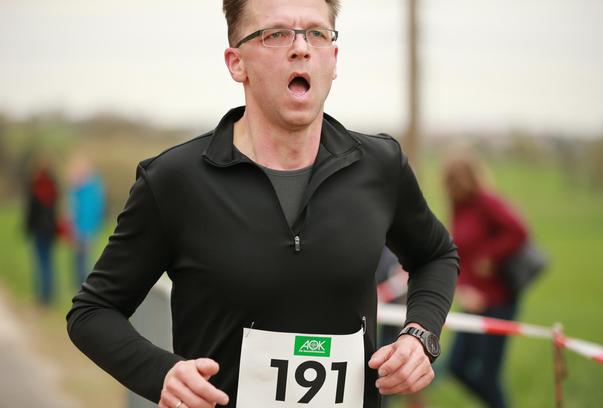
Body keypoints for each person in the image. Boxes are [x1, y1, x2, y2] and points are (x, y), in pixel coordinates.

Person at [67, 1, 459, 407]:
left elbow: (436, 255)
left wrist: (419, 335)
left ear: (334, 58)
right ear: (236, 63)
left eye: (316, 33)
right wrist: (161, 373)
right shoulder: (174, 181)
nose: (301, 48)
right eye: (276, 34)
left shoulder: (380, 166)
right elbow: (93, 311)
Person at [442, 152, 528, 408]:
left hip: (499, 300)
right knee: (456, 367)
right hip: (472, 301)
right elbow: (458, 252)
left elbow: (519, 231)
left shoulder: (487, 202)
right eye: (451, 180)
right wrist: (463, 287)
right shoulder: (457, 206)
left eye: (459, 178)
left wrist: (489, 256)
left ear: (471, 177)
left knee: (488, 375)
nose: (456, 185)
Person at [24, 155, 59, 305]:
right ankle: (48, 295)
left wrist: (27, 228)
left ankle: (42, 296)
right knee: (48, 262)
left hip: (39, 229)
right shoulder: (53, 185)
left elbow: (31, 211)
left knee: (40, 262)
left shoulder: (36, 185)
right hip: (50, 229)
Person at [67, 154, 106, 287]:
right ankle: (79, 287)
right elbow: (72, 209)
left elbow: (95, 210)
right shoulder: (76, 187)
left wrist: (92, 229)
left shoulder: (92, 187)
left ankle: (87, 287)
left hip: (88, 229)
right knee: (76, 260)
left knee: (86, 260)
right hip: (76, 228)